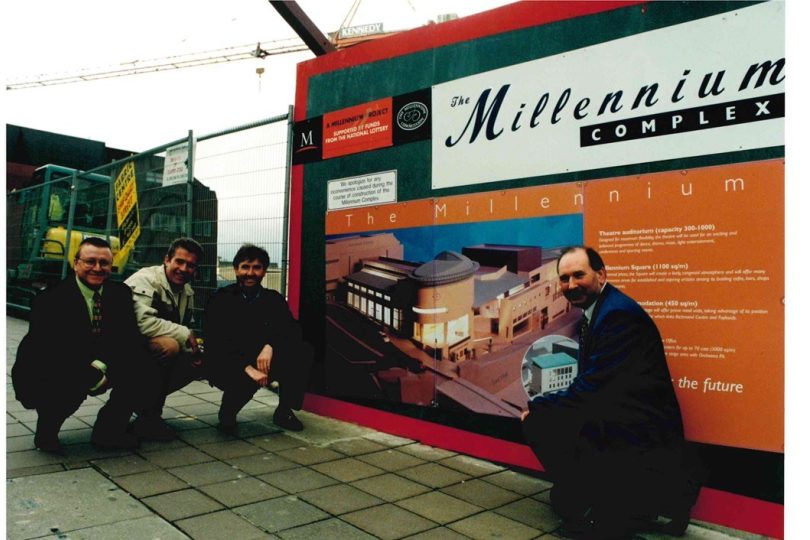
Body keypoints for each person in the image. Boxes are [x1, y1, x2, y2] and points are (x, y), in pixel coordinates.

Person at [521, 246, 702, 539]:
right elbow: (594, 385)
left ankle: (602, 508)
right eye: (564, 278)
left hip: (637, 427)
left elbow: (593, 389)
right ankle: (589, 499)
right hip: (619, 414)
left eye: (579, 275)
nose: (571, 285)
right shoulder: (603, 309)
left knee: (537, 422)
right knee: (553, 426)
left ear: (601, 274)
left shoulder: (617, 316)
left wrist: (539, 405)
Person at [12, 237, 158, 452]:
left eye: (104, 263)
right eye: (90, 261)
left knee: (142, 364)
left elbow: (127, 338)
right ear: (76, 263)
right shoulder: (50, 299)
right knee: (62, 383)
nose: (97, 268)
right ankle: (47, 430)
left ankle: (108, 431)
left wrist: (104, 365)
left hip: (101, 359)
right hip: (56, 367)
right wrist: (92, 372)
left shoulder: (120, 294)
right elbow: (51, 353)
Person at [204, 244, 314, 433]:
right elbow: (217, 342)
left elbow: (292, 329)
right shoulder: (221, 299)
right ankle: (228, 412)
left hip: (263, 360)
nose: (250, 273)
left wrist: (271, 345)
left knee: (302, 350)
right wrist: (248, 368)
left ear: (264, 271)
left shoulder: (273, 299)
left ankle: (284, 410)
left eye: (257, 267)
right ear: (236, 269)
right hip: (230, 363)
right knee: (245, 378)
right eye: (245, 267)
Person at [124, 237, 207, 441]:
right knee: (169, 347)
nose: (183, 269)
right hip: (122, 348)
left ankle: (147, 408)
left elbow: (182, 327)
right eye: (179, 261)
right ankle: (142, 409)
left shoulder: (187, 291)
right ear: (167, 260)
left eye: (190, 265)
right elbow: (140, 323)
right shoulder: (145, 280)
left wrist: (194, 352)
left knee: (196, 362)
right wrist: (185, 334)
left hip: (147, 348)